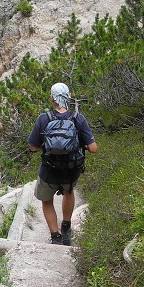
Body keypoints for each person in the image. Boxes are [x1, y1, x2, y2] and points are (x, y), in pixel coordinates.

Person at [27, 82, 98, 245]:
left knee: (46, 200)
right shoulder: (78, 119)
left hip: (49, 169)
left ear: (52, 99)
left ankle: (55, 237)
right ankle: (66, 227)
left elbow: (32, 147)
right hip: (71, 169)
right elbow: (93, 148)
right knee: (68, 192)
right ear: (69, 97)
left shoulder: (44, 119)